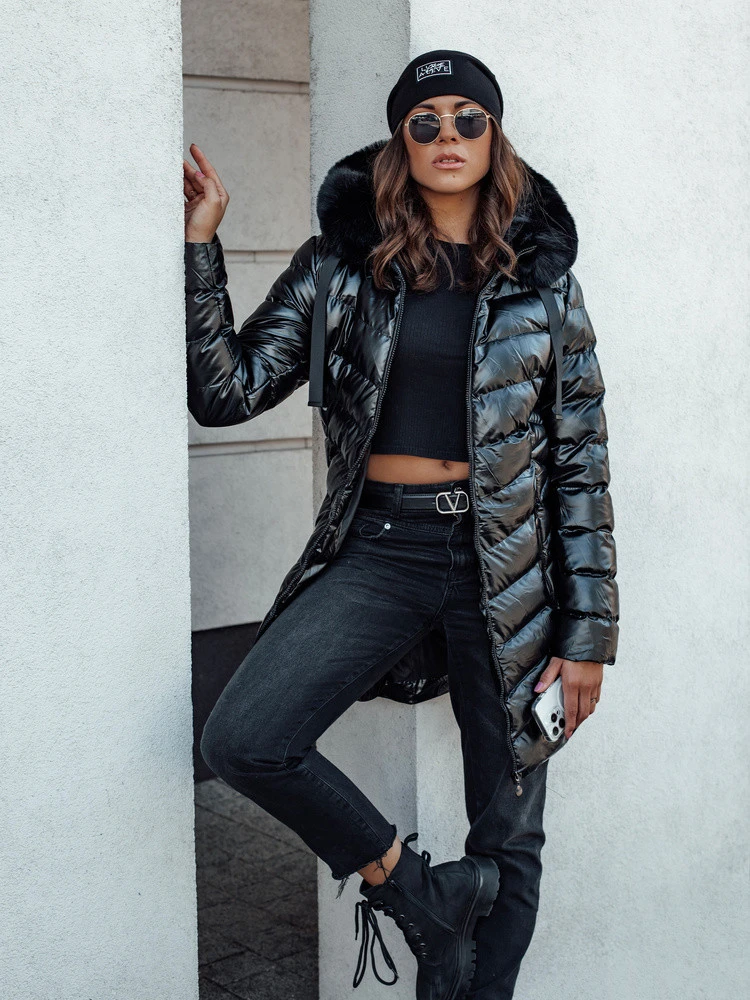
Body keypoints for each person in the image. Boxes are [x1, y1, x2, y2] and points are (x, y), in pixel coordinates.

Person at [184, 48, 619, 1000]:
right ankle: (417, 894)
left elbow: (580, 461)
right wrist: (202, 246)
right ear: (400, 142)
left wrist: (587, 636)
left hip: (512, 569)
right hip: (382, 549)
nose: (447, 136)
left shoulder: (544, 284)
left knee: (509, 833)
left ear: (494, 136)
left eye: (469, 119)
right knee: (243, 738)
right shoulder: (341, 267)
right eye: (426, 121)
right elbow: (226, 392)